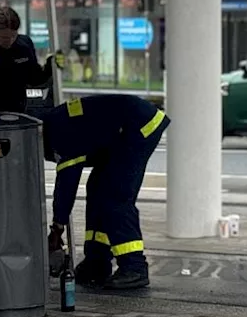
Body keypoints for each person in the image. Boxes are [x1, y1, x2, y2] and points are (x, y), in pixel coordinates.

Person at [41, 94, 168, 290]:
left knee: (115, 196)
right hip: (120, 132)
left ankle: (134, 267)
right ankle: (97, 261)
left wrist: (58, 225)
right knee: (97, 191)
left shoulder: (58, 134)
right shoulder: (52, 123)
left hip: (137, 125)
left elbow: (67, 183)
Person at [0, 6, 60, 115]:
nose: (9, 41)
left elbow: (34, 78)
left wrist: (50, 67)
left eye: (13, 36)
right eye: (3, 37)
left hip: (17, 113)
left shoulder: (24, 45)